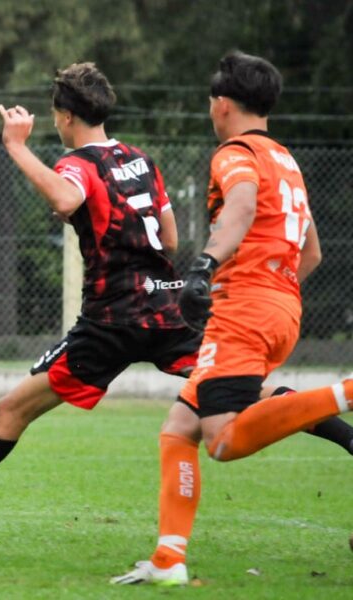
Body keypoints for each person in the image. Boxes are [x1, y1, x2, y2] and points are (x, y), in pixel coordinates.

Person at [0, 62, 203, 526]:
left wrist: (15, 146)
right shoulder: (140, 159)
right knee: (242, 386)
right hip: (166, 309)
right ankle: (337, 415)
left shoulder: (78, 163)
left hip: (112, 320)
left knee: (12, 410)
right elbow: (169, 240)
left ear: (65, 116)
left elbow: (66, 198)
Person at [112, 50, 353, 585]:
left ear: (221, 104)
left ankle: (348, 392)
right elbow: (310, 253)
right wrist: (269, 290)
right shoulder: (286, 160)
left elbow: (241, 207)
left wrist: (206, 267)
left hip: (243, 310)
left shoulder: (234, 153)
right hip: (281, 305)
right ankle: (169, 561)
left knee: (222, 439)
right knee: (180, 429)